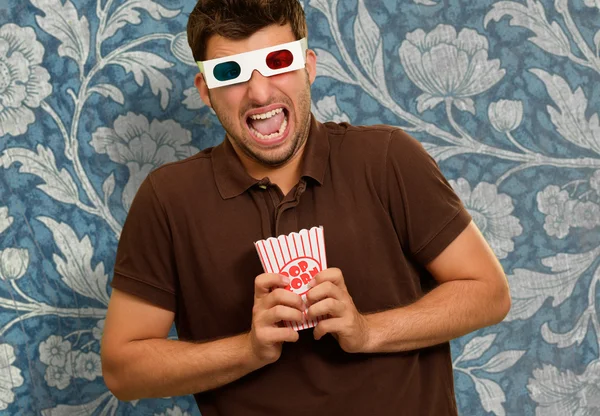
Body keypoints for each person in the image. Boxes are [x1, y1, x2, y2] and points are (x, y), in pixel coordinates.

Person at [100, 0, 511, 415]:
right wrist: (247, 349)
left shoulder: (387, 158)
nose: (260, 92)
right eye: (230, 73)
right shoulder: (168, 199)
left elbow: (489, 292)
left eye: (278, 61)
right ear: (205, 90)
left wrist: (368, 331)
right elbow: (123, 371)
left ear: (308, 66)